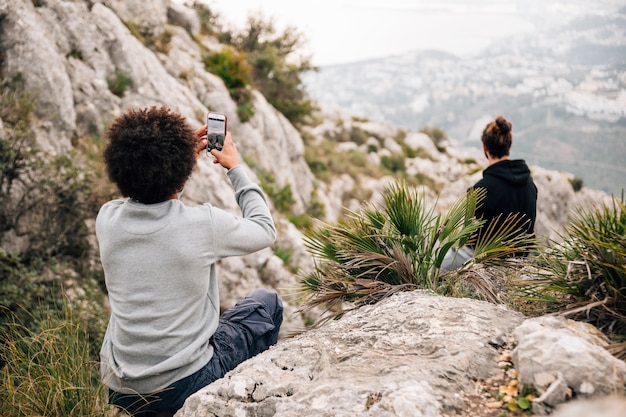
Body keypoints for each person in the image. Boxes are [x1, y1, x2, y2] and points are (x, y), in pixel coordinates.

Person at [96, 106, 283, 416]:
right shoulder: (203, 225)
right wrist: (234, 166)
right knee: (267, 303)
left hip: (122, 389)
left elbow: (153, 201)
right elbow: (265, 229)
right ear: (180, 172)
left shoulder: (108, 219)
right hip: (185, 384)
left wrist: (178, 167)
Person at [441, 115, 538, 271]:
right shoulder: (530, 185)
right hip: (519, 261)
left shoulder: (481, 189)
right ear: (509, 145)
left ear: (484, 148)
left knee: (440, 262)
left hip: (486, 262)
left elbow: (469, 239)